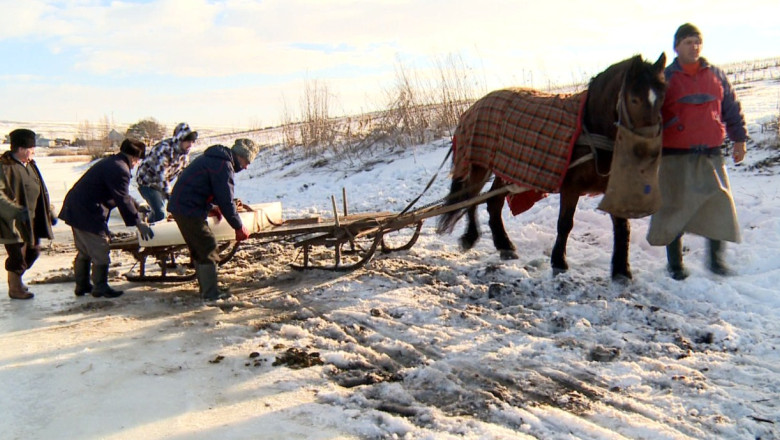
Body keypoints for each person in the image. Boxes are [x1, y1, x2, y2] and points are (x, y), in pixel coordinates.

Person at [647, 23, 748, 280]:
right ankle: (676, 265)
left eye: (697, 41)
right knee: (673, 209)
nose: (694, 46)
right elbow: (648, 115)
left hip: (710, 155)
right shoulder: (664, 78)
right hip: (674, 156)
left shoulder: (715, 75)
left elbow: (731, 108)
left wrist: (739, 139)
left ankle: (716, 261)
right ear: (676, 46)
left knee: (718, 205)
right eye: (688, 42)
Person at [59, 139, 154, 298]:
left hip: (76, 207)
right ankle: (100, 287)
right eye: (138, 160)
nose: (136, 164)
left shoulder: (113, 162)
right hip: (87, 211)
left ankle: (82, 285)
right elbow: (122, 198)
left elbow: (119, 193)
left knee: (84, 250)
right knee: (100, 248)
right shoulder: (119, 168)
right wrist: (138, 222)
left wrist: (137, 206)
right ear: (133, 157)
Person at [167, 138, 259, 301]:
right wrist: (238, 226)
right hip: (187, 208)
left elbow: (204, 189)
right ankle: (211, 294)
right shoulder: (223, 165)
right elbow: (225, 199)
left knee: (200, 247)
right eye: (246, 162)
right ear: (240, 155)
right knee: (207, 245)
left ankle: (209, 288)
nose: (245, 167)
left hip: (184, 205)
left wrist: (212, 207)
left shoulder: (216, 160)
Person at [0, 129, 56, 300]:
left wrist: (50, 211)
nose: (33, 152)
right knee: (17, 256)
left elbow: (42, 190)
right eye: (32, 149)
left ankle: (16, 279)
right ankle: (15, 288)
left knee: (33, 251)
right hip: (11, 220)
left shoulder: (31, 165)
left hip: (32, 217)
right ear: (22, 149)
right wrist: (15, 211)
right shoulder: (5, 166)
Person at [135, 122, 198, 223]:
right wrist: (172, 198)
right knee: (161, 213)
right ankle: (152, 234)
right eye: (187, 141)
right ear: (179, 139)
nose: (190, 144)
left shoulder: (184, 155)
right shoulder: (165, 149)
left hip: (162, 183)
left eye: (192, 141)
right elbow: (160, 176)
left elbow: (183, 176)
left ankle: (147, 215)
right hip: (147, 182)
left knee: (160, 209)